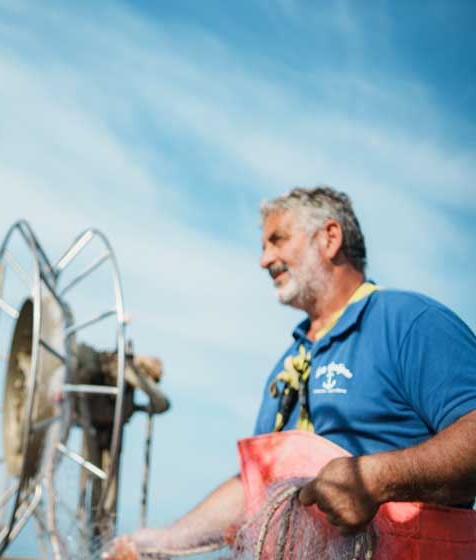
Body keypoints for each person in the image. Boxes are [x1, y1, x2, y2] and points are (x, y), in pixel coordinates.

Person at [108, 186, 476, 558]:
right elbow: (255, 490)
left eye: (277, 240)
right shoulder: (286, 367)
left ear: (330, 238)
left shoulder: (408, 322)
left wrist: (377, 479)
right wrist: (161, 543)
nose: (264, 259)